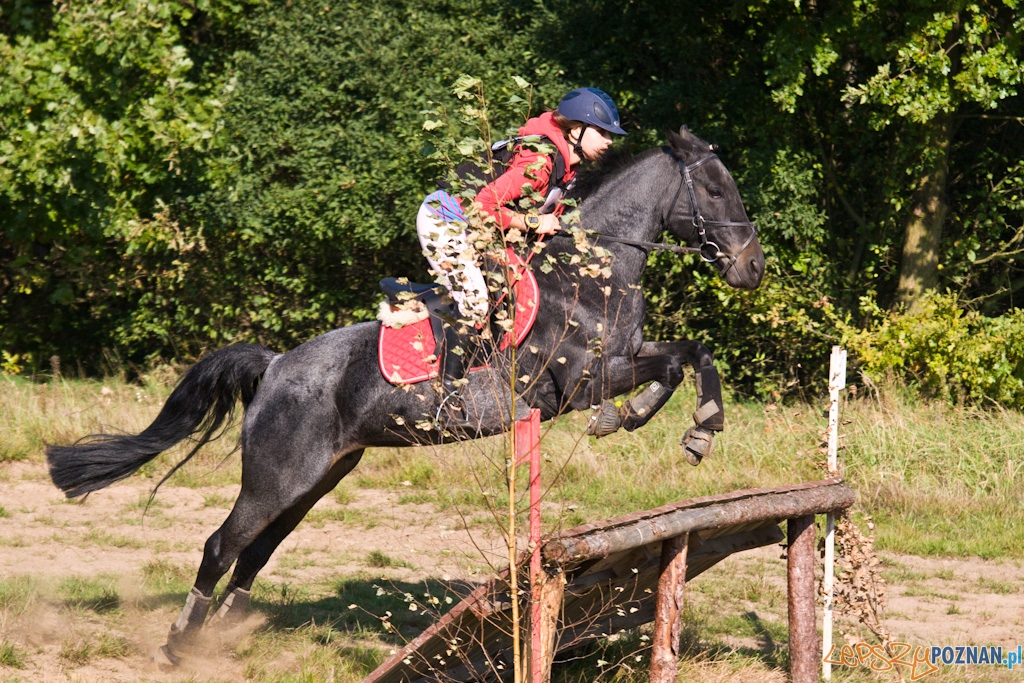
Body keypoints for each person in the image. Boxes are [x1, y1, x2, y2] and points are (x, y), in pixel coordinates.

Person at [417, 87, 627, 409]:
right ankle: (447, 398)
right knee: (474, 300)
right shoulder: (540, 161)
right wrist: (533, 223)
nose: (609, 141)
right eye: (602, 132)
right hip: (447, 219)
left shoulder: (568, 168)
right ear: (575, 130)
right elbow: (482, 207)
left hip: (480, 229)